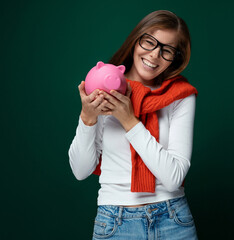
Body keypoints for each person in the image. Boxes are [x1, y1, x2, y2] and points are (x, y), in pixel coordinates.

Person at [68, 10, 198, 239]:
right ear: (136, 39)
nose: (154, 55)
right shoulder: (105, 89)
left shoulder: (181, 95)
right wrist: (87, 118)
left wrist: (129, 120)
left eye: (166, 50)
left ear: (176, 57)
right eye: (149, 41)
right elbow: (80, 171)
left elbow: (174, 177)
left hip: (173, 220)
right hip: (114, 222)